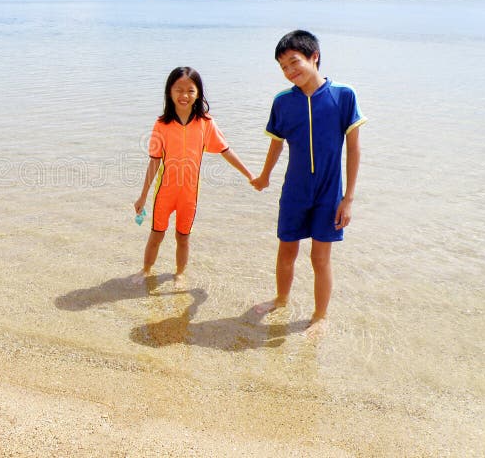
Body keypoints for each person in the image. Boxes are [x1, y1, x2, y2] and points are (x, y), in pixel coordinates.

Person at [251, 30, 367, 334]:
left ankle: (319, 316)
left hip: (329, 194)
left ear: (314, 57)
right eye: (284, 67)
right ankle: (281, 299)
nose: (290, 72)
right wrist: (264, 176)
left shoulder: (343, 95)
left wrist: (348, 198)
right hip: (295, 192)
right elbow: (276, 143)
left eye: (294, 62)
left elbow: (354, 148)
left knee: (320, 258)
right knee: (286, 251)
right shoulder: (283, 102)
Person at [133, 66, 255, 286]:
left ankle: (179, 273)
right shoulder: (161, 124)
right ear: (169, 92)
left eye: (190, 90)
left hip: (189, 194)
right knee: (157, 235)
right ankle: (146, 270)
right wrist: (142, 196)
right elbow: (154, 161)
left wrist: (249, 175)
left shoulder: (206, 123)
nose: (184, 95)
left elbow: (226, 150)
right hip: (165, 192)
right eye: (178, 89)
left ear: (198, 93)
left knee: (183, 237)